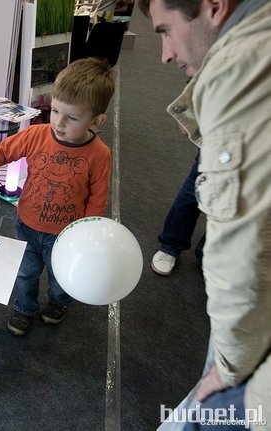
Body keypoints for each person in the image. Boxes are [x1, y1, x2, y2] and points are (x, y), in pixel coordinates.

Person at [138, 0, 271, 429]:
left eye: (165, 31)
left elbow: (242, 250)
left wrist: (229, 369)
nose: (166, 53)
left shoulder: (236, 70)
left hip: (254, 346)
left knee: (193, 417)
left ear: (215, 7)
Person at [0, 57, 115, 336]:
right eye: (56, 111)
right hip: (27, 224)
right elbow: (1, 152)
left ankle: (60, 303)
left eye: (71, 118)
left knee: (61, 276)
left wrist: (87, 234)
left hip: (67, 235)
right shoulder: (37, 134)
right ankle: (24, 307)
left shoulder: (99, 154)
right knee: (26, 272)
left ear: (96, 121)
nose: (59, 123)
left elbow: (98, 197)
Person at [151, 150, 205, 276]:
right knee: (195, 188)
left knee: (239, 200)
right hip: (221, 138)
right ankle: (171, 245)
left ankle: (210, 255)